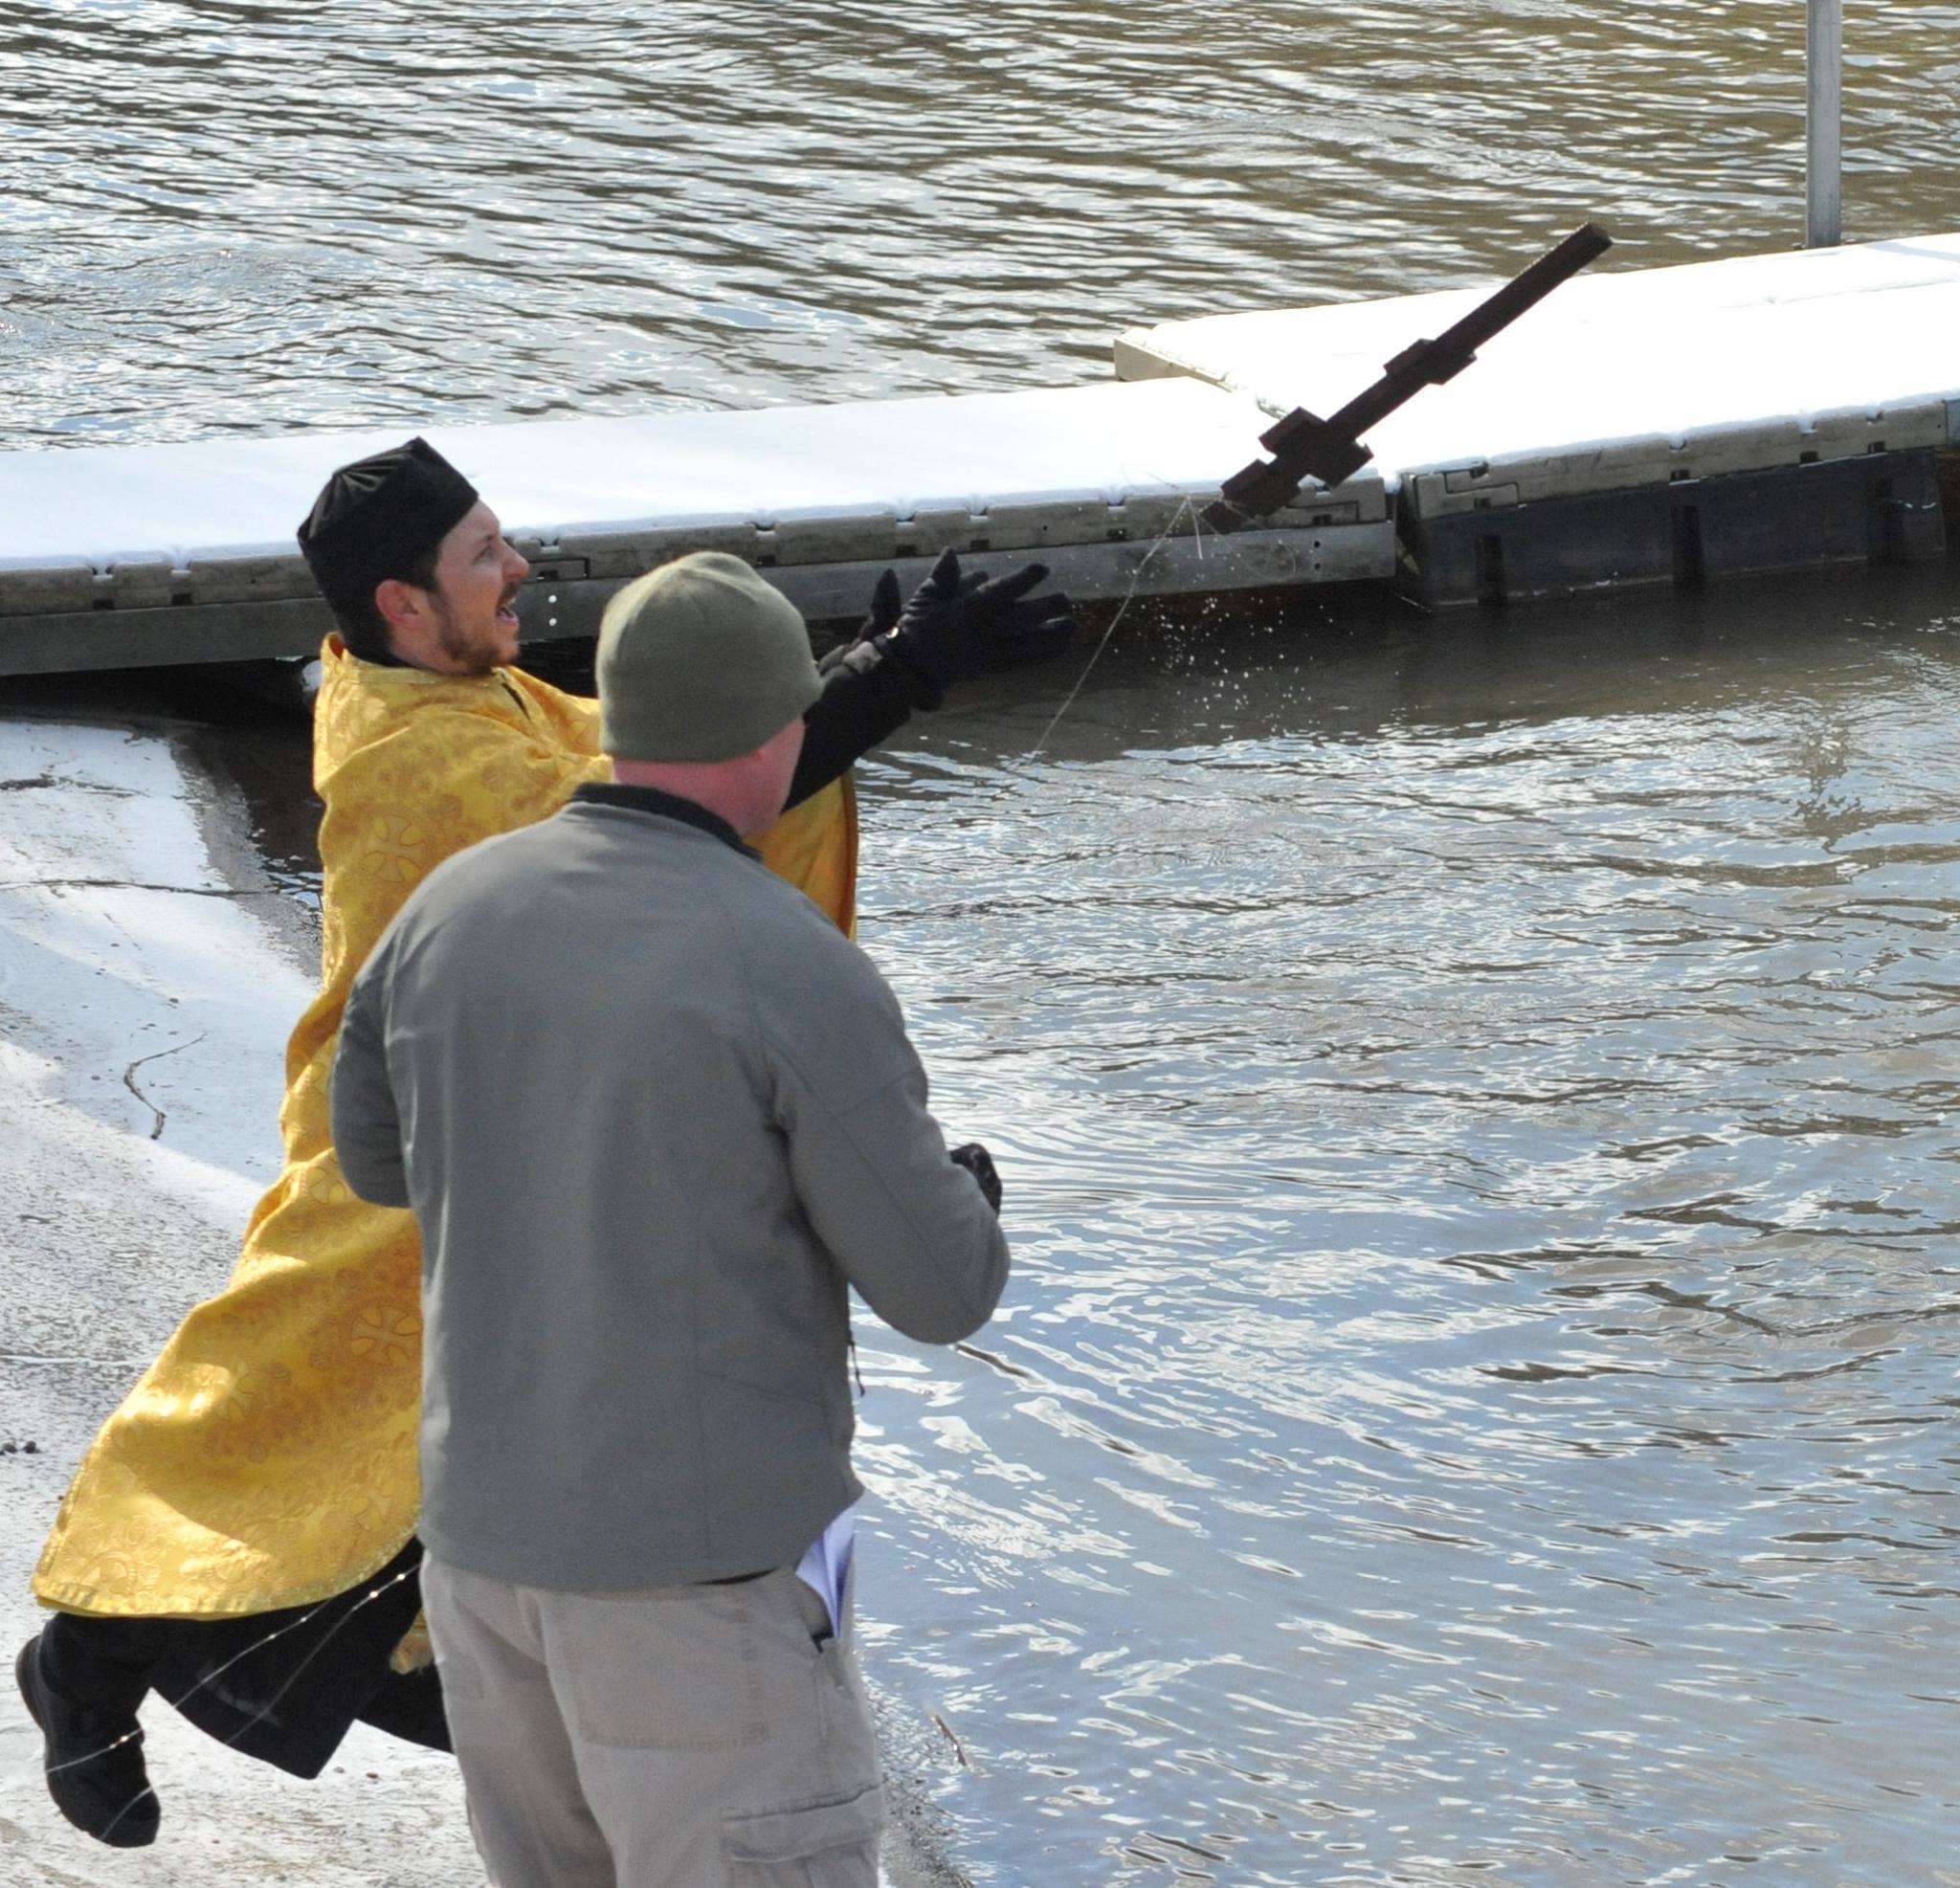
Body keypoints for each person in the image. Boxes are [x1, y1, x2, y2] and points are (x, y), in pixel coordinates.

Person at [16, 436, 1068, 1849]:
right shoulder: (417, 747)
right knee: (288, 1404)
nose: (520, 570)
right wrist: (886, 681)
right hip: (427, 1116)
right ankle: (95, 1645)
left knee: (479, 1451)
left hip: (527, 1079)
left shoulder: (465, 682)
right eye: (484, 557)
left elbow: (641, 757)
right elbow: (639, 816)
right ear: (402, 604)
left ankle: (321, 1665)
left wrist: (846, 671)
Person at [330, 550, 1011, 1887]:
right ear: (781, 726)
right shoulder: (790, 959)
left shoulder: (446, 910)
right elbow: (945, 1290)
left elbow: (372, 1162)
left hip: (481, 1573)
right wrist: (967, 1197)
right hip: (699, 1606)